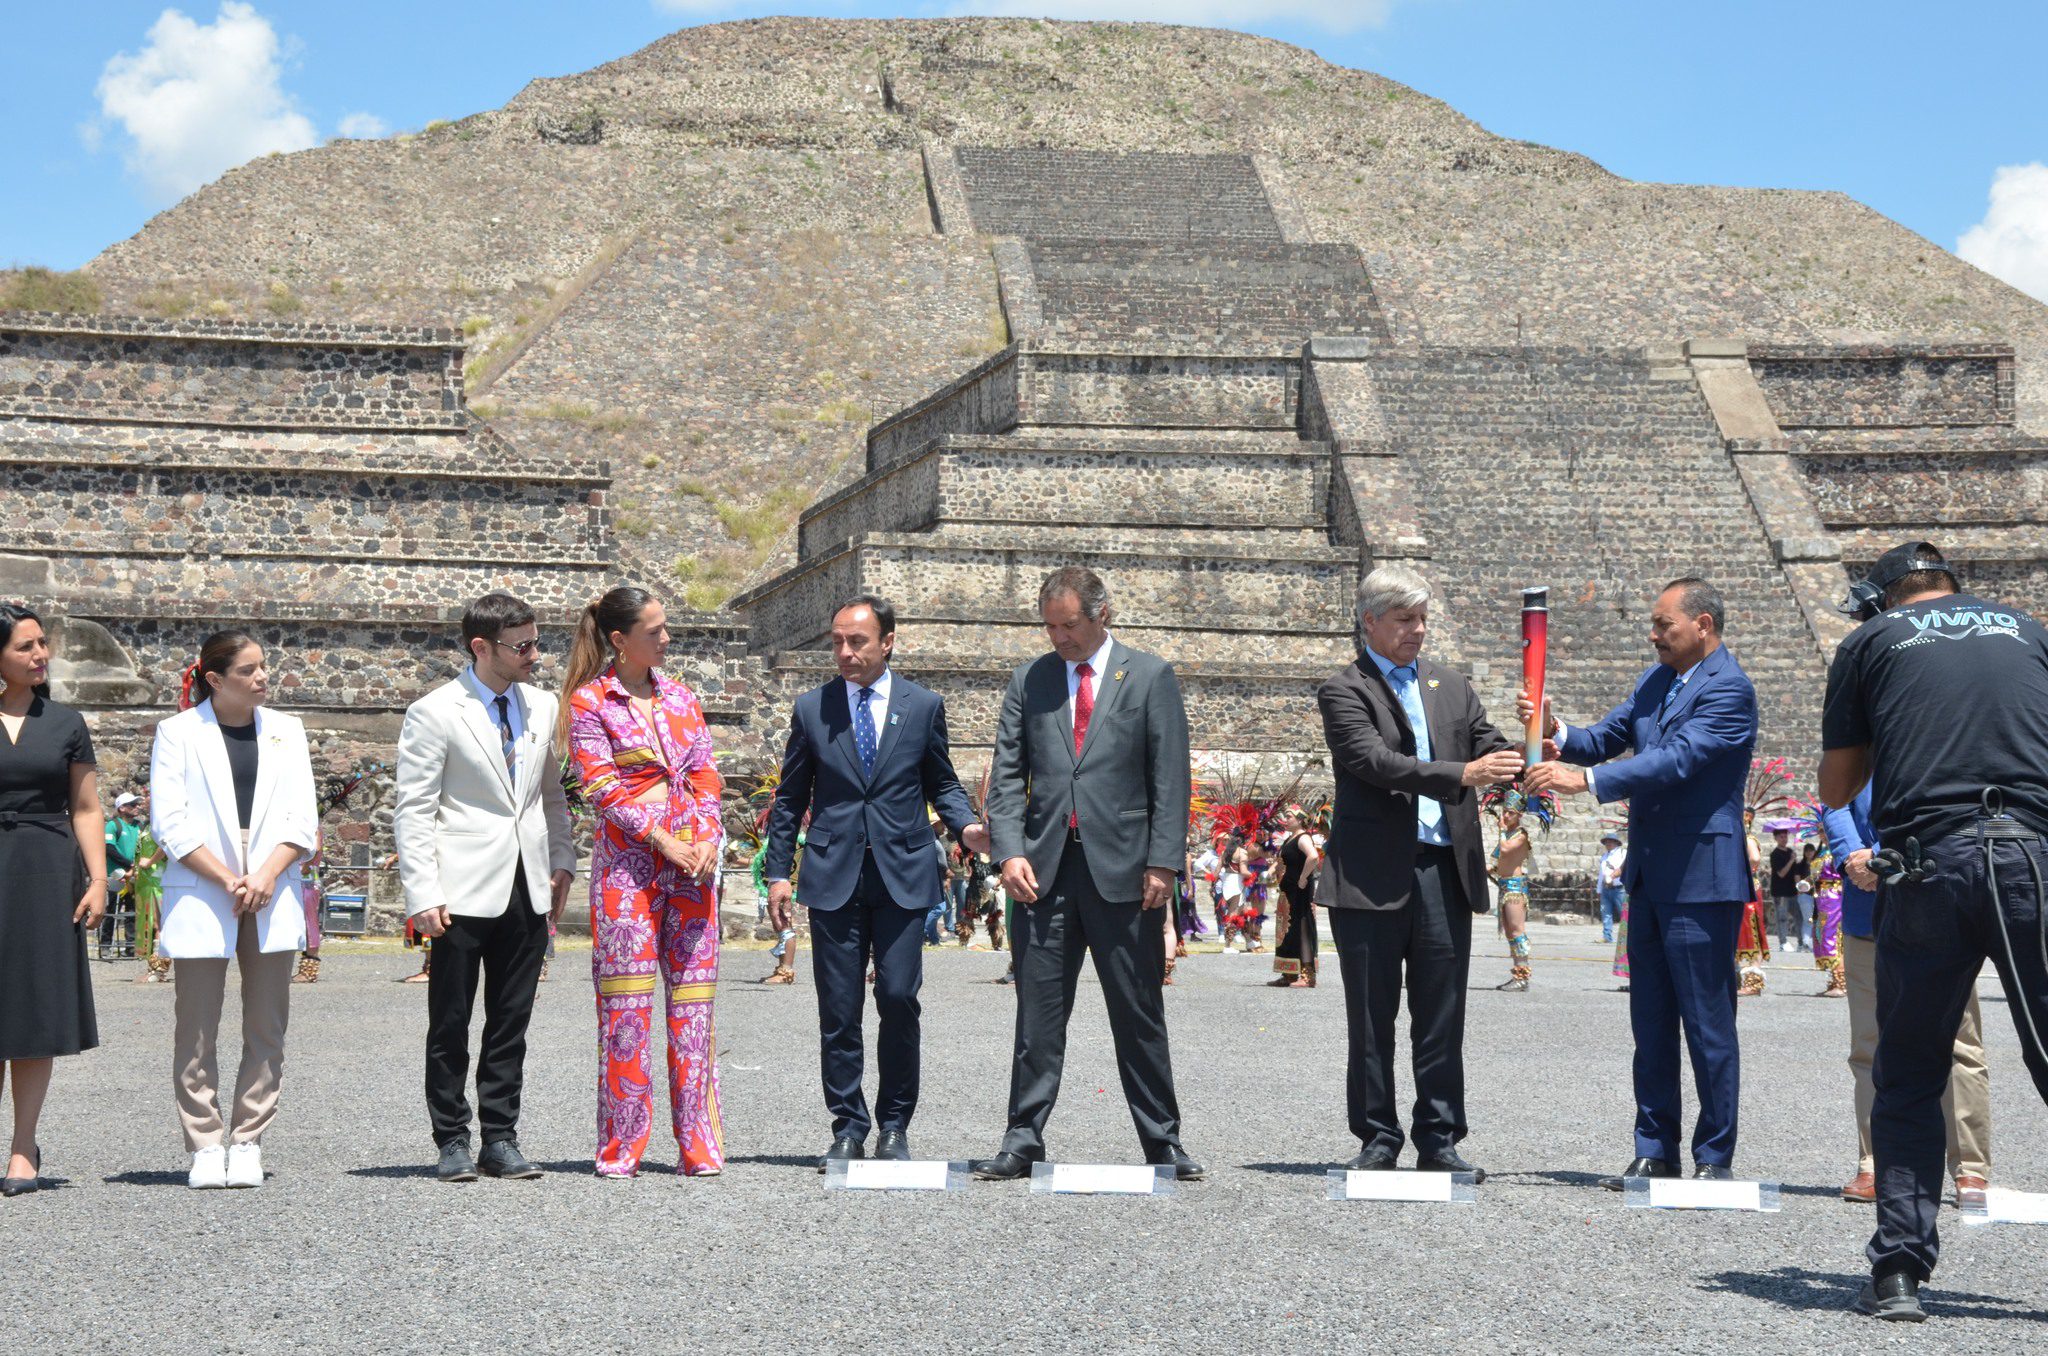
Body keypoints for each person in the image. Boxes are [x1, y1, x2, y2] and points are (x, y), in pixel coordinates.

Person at [1815, 541, 2048, 1321]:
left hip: (1928, 863)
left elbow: (1839, 784)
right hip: (2030, 859)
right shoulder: (2029, 629)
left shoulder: (1870, 643)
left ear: (1885, 600)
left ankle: (1900, 1275)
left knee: (1910, 1069)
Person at [1524, 577, 1758, 1188]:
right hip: (1651, 877)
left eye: (1664, 625)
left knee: (1707, 1024)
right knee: (1650, 1021)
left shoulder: (1729, 690)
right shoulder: (1656, 681)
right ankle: (1654, 1147)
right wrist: (1558, 729)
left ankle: (1713, 1156)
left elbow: (1677, 759)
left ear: (1702, 624)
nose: (1653, 635)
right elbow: (1604, 737)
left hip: (1703, 879)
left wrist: (1591, 782)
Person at [973, 566, 1202, 1182]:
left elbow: (1169, 779)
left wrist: (1164, 860)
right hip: (1043, 874)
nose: (1058, 638)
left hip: (1126, 872)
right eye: (1049, 627)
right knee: (1038, 1015)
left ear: (1104, 614)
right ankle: (1022, 1137)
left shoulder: (1150, 677)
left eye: (1068, 626)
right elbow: (1006, 777)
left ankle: (1163, 1141)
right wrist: (1009, 852)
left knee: (1139, 1012)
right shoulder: (1030, 681)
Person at [763, 595, 986, 1169]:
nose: (844, 652)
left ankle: (893, 1124)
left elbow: (943, 782)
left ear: (887, 641)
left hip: (904, 875)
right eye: (836, 641)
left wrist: (968, 829)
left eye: (856, 641)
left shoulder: (923, 705)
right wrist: (777, 875)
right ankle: (847, 1125)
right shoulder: (813, 708)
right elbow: (789, 799)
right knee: (838, 1008)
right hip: (833, 876)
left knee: (897, 999)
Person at [1318, 565, 1521, 1180]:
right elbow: (1373, 761)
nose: (1418, 630)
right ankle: (1378, 1137)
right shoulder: (1344, 688)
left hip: (1442, 872)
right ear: (1370, 621)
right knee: (1372, 1017)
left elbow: (1490, 745)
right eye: (1405, 619)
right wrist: (1461, 775)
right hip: (1370, 876)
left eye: (1423, 618)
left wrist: (1535, 744)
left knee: (1441, 1016)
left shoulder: (1451, 684)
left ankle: (1439, 1138)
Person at [395, 592, 577, 1183]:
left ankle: (501, 1137)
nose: (534, 654)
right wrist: (422, 892)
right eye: (520, 645)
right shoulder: (434, 711)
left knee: (511, 1020)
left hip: (528, 884)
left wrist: (563, 860)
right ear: (481, 648)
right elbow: (414, 809)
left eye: (535, 641)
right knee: (449, 1020)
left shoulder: (545, 706)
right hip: (458, 889)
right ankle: (451, 1138)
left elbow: (552, 796)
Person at [564, 586, 728, 1179]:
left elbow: (707, 775)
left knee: (694, 1008)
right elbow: (602, 788)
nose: (666, 637)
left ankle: (699, 1143)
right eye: (653, 630)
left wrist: (707, 837)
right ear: (619, 639)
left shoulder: (684, 698)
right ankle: (622, 1146)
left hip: (695, 864)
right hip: (629, 869)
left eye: (665, 627)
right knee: (626, 1011)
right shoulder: (588, 702)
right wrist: (662, 840)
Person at [150, 629, 319, 1190]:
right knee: (195, 1025)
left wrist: (266, 874)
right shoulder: (177, 733)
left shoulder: (288, 732)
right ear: (215, 680)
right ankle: (203, 1143)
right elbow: (169, 822)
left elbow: (302, 817)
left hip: (271, 879)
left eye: (264, 666)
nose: (263, 677)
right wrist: (228, 878)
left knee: (267, 1023)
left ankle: (247, 1139)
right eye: (249, 670)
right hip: (206, 882)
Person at [1821, 783, 1989, 1212]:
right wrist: (1852, 855)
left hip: (1938, 905)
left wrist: (1880, 855)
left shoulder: (1940, 729)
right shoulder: (1859, 735)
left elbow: (1948, 811)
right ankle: (1875, 1162)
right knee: (1868, 1044)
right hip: (1866, 907)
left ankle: (1970, 1166)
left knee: (1958, 1042)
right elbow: (1833, 797)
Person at [0, 604, 107, 1196]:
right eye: (26, 647)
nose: (41, 655)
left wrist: (96, 879)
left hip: (45, 868)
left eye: (43, 644)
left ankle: (23, 1148)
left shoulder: (66, 721)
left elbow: (86, 807)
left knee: (32, 1011)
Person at [1483, 785, 1557, 992]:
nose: (1506, 815)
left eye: (1511, 812)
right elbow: (1499, 861)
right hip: (1505, 886)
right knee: (1509, 932)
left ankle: (1523, 976)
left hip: (1516, 888)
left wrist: (1501, 829)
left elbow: (1506, 849)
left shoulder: (1520, 835)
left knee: (1517, 931)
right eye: (1505, 811)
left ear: (1520, 815)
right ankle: (1517, 972)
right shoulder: (1509, 834)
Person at [1269, 806, 1322, 988]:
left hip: (1298, 891)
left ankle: (1307, 975)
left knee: (1302, 927)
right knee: (1288, 931)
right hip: (1288, 892)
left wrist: (1302, 878)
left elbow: (1313, 857)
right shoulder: (1290, 839)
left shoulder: (1303, 837)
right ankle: (1290, 973)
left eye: (1289, 816)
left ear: (1300, 820)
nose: (1286, 819)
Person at [131, 792, 169, 982]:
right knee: (150, 922)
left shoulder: (160, 823)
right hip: (145, 880)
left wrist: (150, 861)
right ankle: (154, 967)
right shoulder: (147, 824)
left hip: (156, 878)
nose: (142, 803)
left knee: (158, 924)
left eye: (146, 799)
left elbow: (166, 845)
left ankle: (158, 969)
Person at [100, 791, 143, 958]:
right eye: (133, 805)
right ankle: (105, 945)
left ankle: (131, 946)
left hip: (134, 875)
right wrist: (130, 864)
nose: (137, 807)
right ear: (122, 807)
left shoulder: (139, 826)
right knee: (111, 911)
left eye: (137, 804)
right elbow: (109, 848)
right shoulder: (113, 825)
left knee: (132, 911)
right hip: (116, 875)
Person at [1769, 827, 1801, 953]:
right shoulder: (1775, 854)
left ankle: (1801, 941)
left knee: (1799, 917)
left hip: (1792, 891)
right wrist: (1791, 860)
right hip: (1780, 892)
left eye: (1785, 836)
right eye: (1781, 837)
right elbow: (1781, 873)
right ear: (1776, 838)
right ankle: (1783, 942)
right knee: (1782, 918)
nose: (1784, 839)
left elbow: (1795, 872)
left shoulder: (1790, 852)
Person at [1597, 830, 1626, 944]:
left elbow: (1622, 870)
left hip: (1619, 888)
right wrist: (1599, 889)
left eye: (1611, 842)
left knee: (1623, 913)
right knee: (1606, 913)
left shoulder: (1622, 854)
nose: (1608, 844)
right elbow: (1601, 874)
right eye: (1607, 842)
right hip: (1606, 888)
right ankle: (1607, 936)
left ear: (1616, 843)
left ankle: (1627, 937)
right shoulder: (1604, 856)